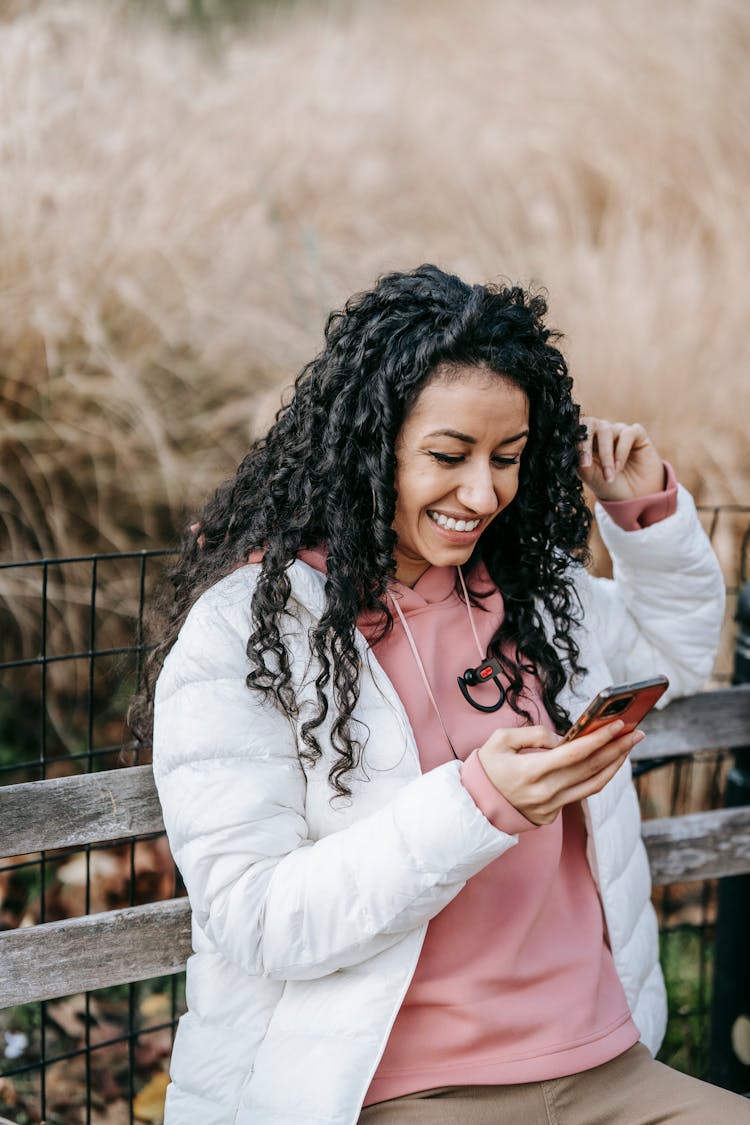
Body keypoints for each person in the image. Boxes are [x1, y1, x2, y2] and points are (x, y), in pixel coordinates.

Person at [143, 264, 747, 1124]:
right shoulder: (252, 632)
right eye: (447, 455)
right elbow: (258, 915)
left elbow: (676, 654)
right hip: (393, 1086)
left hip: (603, 1062)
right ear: (369, 443)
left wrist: (643, 515)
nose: (482, 494)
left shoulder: (538, 594)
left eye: (508, 457)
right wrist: (476, 805)